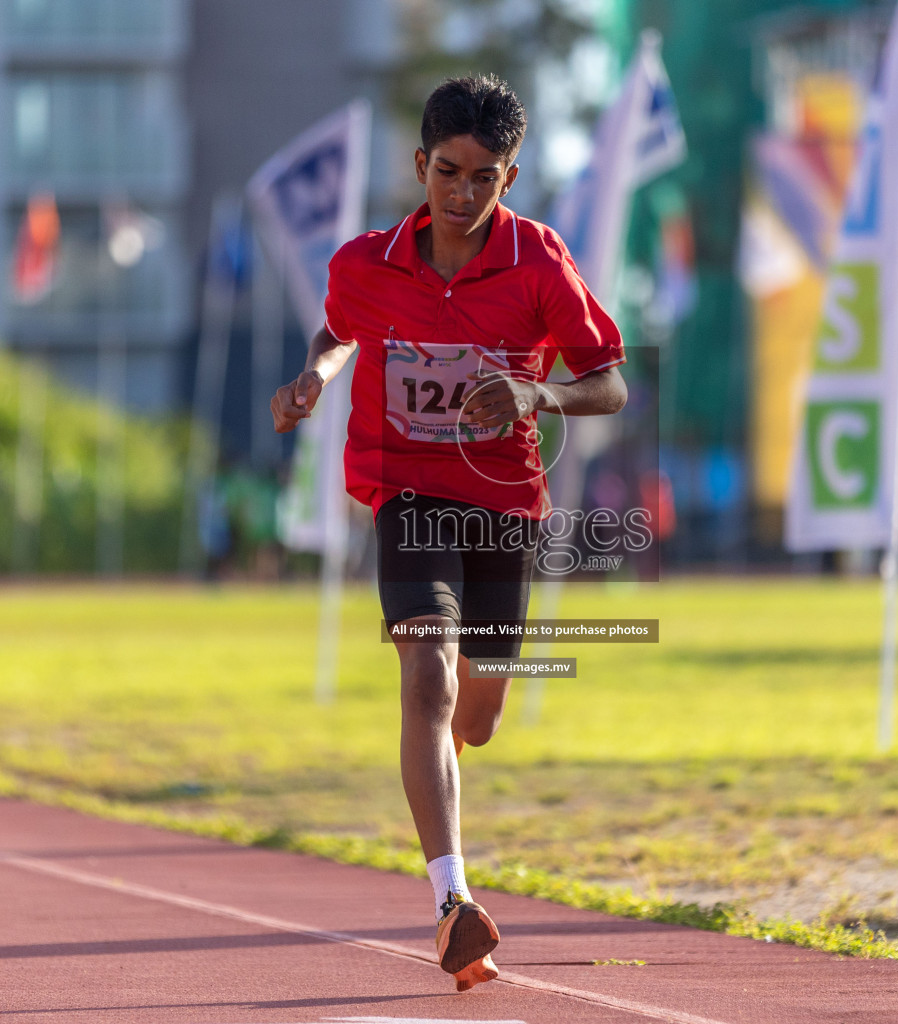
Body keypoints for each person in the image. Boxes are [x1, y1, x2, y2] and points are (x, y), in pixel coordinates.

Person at [271, 76, 627, 992]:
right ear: (420, 164)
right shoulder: (366, 263)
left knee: (477, 711)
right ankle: (451, 903)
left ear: (511, 176)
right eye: (448, 172)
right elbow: (337, 329)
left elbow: (609, 383)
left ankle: (445, 764)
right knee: (424, 674)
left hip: (504, 505)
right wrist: (315, 374)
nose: (463, 195)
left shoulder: (540, 263)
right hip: (408, 494)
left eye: (484, 178)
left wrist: (538, 392)